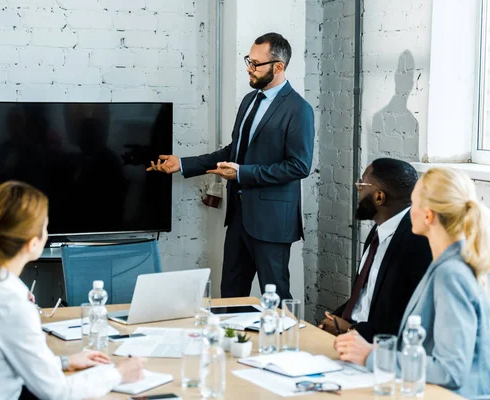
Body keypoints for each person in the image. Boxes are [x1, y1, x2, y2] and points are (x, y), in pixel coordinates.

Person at [147, 32, 314, 300]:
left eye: (256, 64)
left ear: (279, 67)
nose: (249, 68)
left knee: (277, 297)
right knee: (231, 295)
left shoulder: (298, 109)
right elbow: (233, 151)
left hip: (272, 223)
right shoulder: (250, 101)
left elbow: (299, 166)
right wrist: (183, 164)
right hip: (238, 218)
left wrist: (242, 173)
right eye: (249, 60)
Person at [0, 181, 144, 400]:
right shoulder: (11, 304)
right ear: (32, 243)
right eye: (45, 228)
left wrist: (64, 361)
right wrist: (118, 373)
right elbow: (57, 393)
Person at [334, 167, 490, 398]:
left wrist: (371, 356)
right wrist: (374, 349)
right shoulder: (448, 262)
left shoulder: (451, 274)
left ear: (428, 216)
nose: (408, 211)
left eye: (413, 203)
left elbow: (451, 370)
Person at [318, 158, 432, 342]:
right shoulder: (379, 230)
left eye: (362, 185)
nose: (358, 190)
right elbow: (365, 294)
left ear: (379, 197)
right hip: (351, 334)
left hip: (375, 346)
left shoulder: (416, 241)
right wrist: (335, 319)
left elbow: (406, 316)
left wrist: (351, 331)